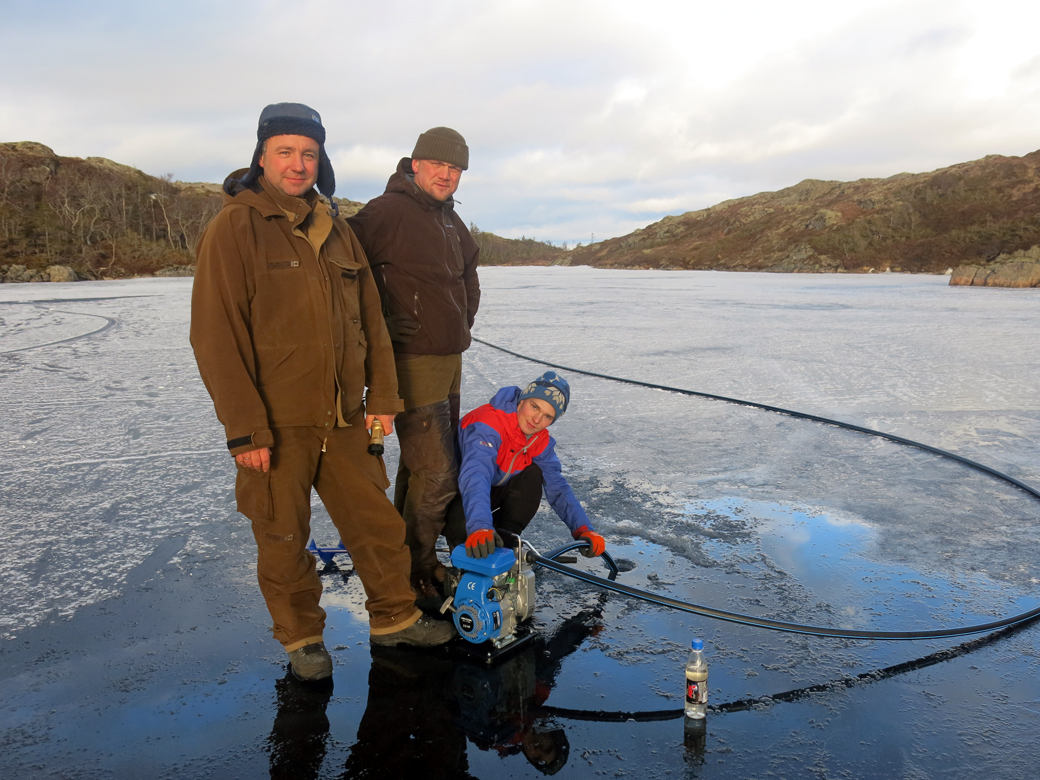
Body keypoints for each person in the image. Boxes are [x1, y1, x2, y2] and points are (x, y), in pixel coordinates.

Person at [190, 103, 455, 683]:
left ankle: (394, 618)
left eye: (308, 153)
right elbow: (215, 336)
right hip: (275, 424)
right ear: (261, 156)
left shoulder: (338, 230)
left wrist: (381, 399)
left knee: (377, 527)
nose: (297, 163)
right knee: (284, 535)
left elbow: (372, 326)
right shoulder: (234, 227)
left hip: (344, 417)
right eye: (285, 151)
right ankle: (303, 639)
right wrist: (244, 429)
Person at [347, 127, 480, 600]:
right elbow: (343, 271)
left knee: (422, 468)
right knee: (439, 472)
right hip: (411, 361)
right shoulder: (387, 212)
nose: (447, 175)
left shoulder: (449, 220)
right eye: (439, 165)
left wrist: (460, 319)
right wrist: (379, 321)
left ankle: (404, 555)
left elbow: (467, 275)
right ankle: (418, 572)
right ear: (416, 164)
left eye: (456, 169)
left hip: (449, 358)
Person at [444, 371, 606, 560]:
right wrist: (480, 526)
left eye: (547, 416)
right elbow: (476, 476)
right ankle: (465, 548)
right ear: (522, 400)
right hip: (454, 498)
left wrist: (584, 529)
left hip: (489, 492)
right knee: (463, 521)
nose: (537, 420)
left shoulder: (540, 441)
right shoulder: (487, 424)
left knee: (533, 474)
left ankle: (504, 543)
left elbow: (558, 488)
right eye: (534, 406)